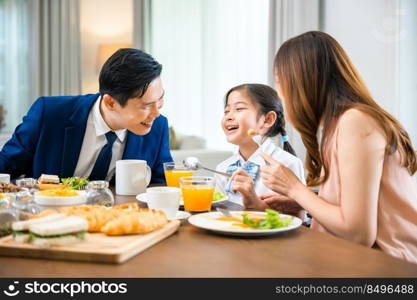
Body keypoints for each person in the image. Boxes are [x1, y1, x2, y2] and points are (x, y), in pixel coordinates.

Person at [260, 31, 417, 263]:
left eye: (280, 82)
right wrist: (302, 201)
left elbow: (358, 233)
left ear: (299, 82)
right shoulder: (338, 125)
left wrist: (295, 188)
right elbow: (357, 207)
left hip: (389, 268)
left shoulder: (356, 121)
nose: (281, 94)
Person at [0, 48, 172, 183]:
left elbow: (161, 185)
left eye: (161, 98)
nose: (157, 113)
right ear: (110, 102)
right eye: (147, 105)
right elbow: (5, 166)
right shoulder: (49, 114)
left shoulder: (158, 127)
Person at [215, 83, 305, 210]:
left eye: (239, 109)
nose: (229, 116)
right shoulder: (222, 168)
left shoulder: (288, 164)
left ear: (267, 119)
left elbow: (297, 218)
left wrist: (257, 204)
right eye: (226, 111)